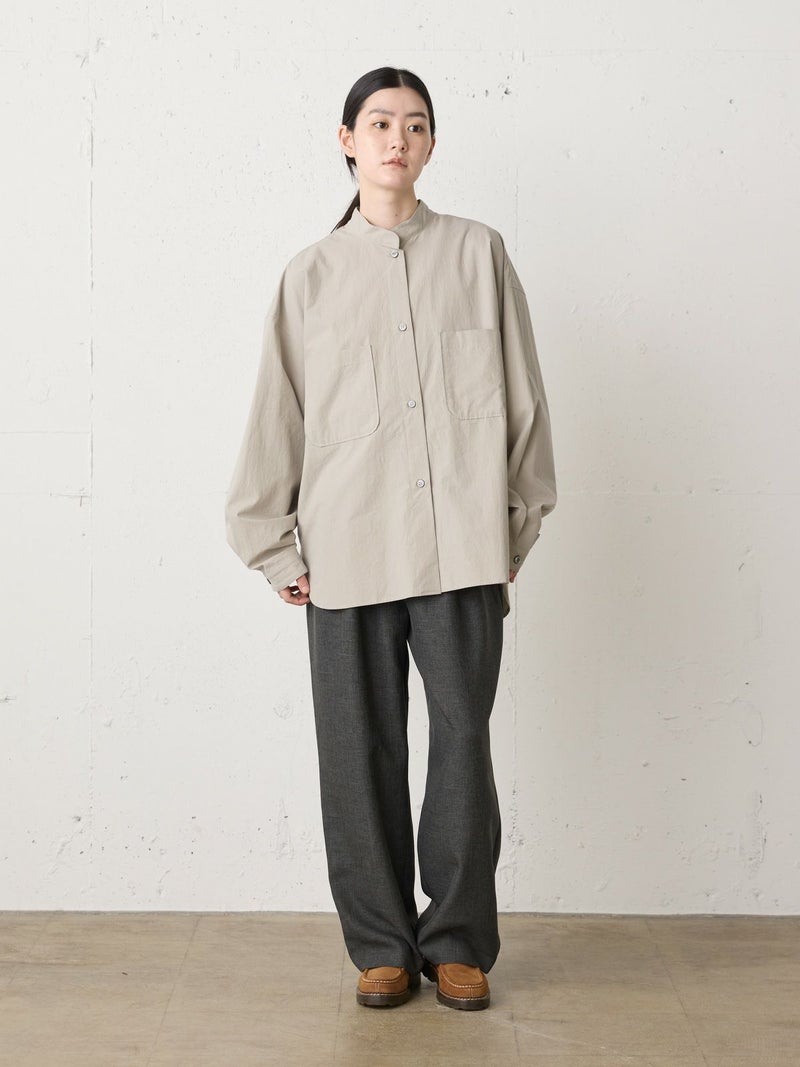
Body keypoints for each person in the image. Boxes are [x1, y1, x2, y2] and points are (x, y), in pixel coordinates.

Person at [225, 66, 557, 1011]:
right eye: (378, 123)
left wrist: (515, 526)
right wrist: (274, 545)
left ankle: (457, 941)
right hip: (346, 550)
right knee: (356, 750)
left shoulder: (478, 254)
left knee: (462, 744)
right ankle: (379, 944)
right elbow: (278, 415)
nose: (396, 139)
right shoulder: (310, 275)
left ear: (432, 143)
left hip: (462, 549)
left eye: (414, 124)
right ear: (347, 140)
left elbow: (523, 401)